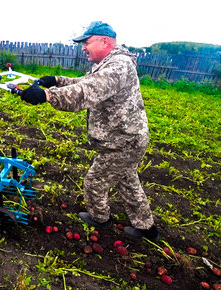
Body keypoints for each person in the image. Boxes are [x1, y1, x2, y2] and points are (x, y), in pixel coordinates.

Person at [20, 21, 160, 242]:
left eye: (86, 42)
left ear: (104, 41)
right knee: (127, 181)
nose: (83, 47)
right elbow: (86, 81)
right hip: (124, 138)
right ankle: (147, 228)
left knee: (94, 183)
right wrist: (57, 81)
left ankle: (101, 219)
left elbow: (87, 91)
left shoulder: (118, 66)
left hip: (123, 142)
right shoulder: (109, 64)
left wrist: (48, 96)